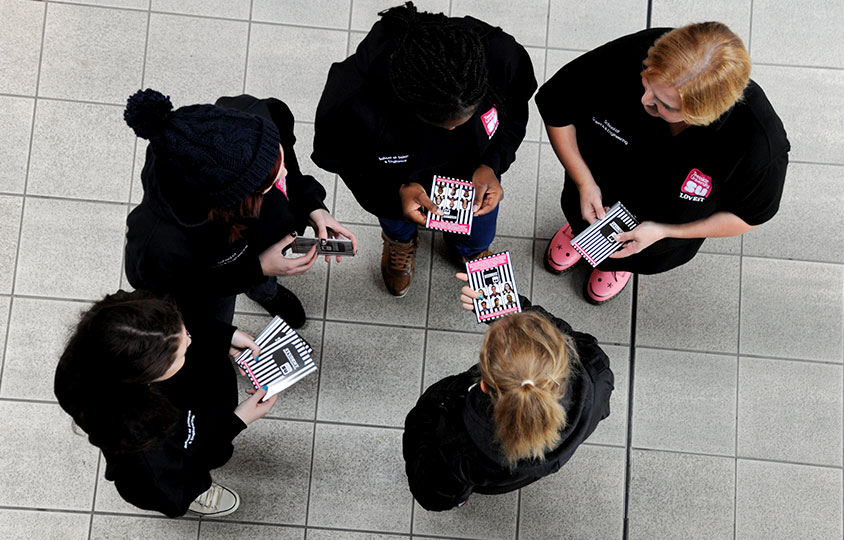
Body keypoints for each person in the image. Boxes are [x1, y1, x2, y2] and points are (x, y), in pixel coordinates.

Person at [537, 22, 788, 304]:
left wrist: (666, 232)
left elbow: (749, 216)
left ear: (702, 114)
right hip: (592, 187)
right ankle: (577, 229)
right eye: (647, 84)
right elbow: (556, 105)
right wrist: (584, 180)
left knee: (631, 258)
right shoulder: (639, 54)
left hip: (659, 234)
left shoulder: (757, 143)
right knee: (578, 215)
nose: (645, 100)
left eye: (664, 105)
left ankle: (617, 266)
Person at [313, 2, 537, 296]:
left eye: (469, 116)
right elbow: (348, 166)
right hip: (393, 185)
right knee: (397, 224)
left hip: (475, 179)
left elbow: (515, 116)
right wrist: (396, 194)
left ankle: (469, 250)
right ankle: (401, 242)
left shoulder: (501, 56)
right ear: (409, 102)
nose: (456, 130)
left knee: (479, 231)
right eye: (446, 124)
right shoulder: (349, 106)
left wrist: (492, 163)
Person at [124, 89, 357, 328]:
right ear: (233, 201)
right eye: (269, 181)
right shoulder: (157, 244)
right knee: (220, 316)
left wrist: (312, 206)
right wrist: (257, 268)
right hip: (219, 276)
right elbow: (186, 291)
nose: (284, 173)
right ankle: (259, 285)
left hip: (264, 235)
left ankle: (265, 291)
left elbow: (289, 171)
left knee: (267, 270)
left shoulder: (253, 120)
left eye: (277, 156)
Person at [54, 290, 277, 518]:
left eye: (182, 331)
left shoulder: (133, 330)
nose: (190, 340)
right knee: (186, 478)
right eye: (179, 353)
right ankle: (198, 493)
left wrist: (223, 336)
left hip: (200, 396)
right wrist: (236, 421)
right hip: (189, 444)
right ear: (148, 375)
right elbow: (182, 469)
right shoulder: (143, 447)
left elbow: (185, 327)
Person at [402, 276, 614, 511]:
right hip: (508, 476)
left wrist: (431, 407)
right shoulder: (595, 370)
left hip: (473, 473)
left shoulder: (458, 447)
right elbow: (559, 335)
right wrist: (508, 307)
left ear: (483, 385)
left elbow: (432, 494)